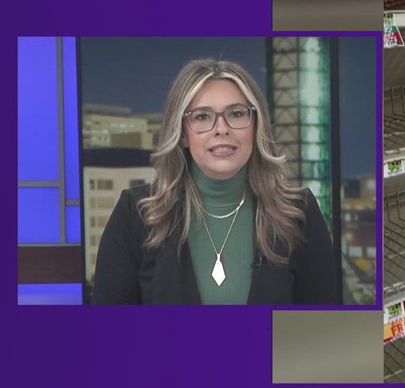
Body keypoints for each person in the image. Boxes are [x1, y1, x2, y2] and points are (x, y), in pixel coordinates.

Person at [92, 58, 337, 304]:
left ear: (256, 126)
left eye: (237, 114)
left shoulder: (297, 212)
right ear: (183, 135)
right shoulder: (136, 213)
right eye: (202, 117)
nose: (221, 128)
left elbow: (323, 333)